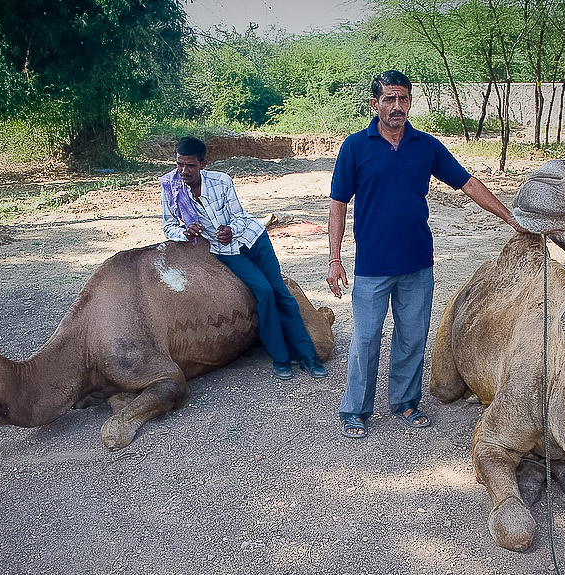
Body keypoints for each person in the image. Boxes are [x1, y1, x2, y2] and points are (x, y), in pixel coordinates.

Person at [326, 70, 521, 439]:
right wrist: (334, 259)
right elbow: (338, 203)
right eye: (389, 99)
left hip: (418, 263)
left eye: (403, 99)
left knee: (412, 337)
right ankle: (355, 409)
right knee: (366, 339)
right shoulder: (355, 146)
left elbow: (467, 182)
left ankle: (405, 402)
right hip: (372, 265)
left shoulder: (426, 146)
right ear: (375, 104)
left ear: (410, 102)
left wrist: (510, 217)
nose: (396, 106)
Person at [161, 136, 326, 381]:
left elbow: (239, 216)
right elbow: (168, 226)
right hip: (225, 251)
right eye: (179, 165)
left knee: (281, 292)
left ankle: (308, 356)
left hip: (253, 238)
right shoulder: (171, 189)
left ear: (203, 164)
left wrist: (231, 230)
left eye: (190, 166)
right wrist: (184, 233)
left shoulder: (221, 181)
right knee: (264, 292)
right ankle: (280, 359)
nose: (184, 171)